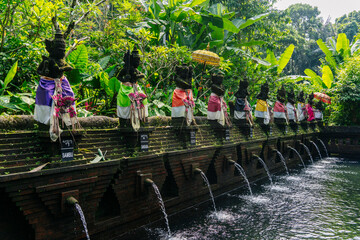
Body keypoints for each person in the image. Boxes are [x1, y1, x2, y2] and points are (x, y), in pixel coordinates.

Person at [34, 27, 78, 141]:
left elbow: (66, 68)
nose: (61, 52)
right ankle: (46, 122)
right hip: (48, 82)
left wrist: (65, 68)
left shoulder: (61, 61)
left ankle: (67, 121)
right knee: (47, 96)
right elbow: (38, 71)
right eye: (59, 49)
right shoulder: (47, 61)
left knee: (70, 94)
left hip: (62, 82)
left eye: (62, 50)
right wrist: (45, 70)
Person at [116, 47, 148, 131]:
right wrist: (125, 79)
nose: (138, 63)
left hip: (135, 87)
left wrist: (137, 76)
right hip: (126, 88)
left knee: (143, 100)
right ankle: (126, 120)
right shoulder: (126, 69)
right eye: (136, 61)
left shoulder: (135, 70)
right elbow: (118, 77)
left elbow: (141, 75)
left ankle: (141, 119)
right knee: (128, 100)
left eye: (138, 61)